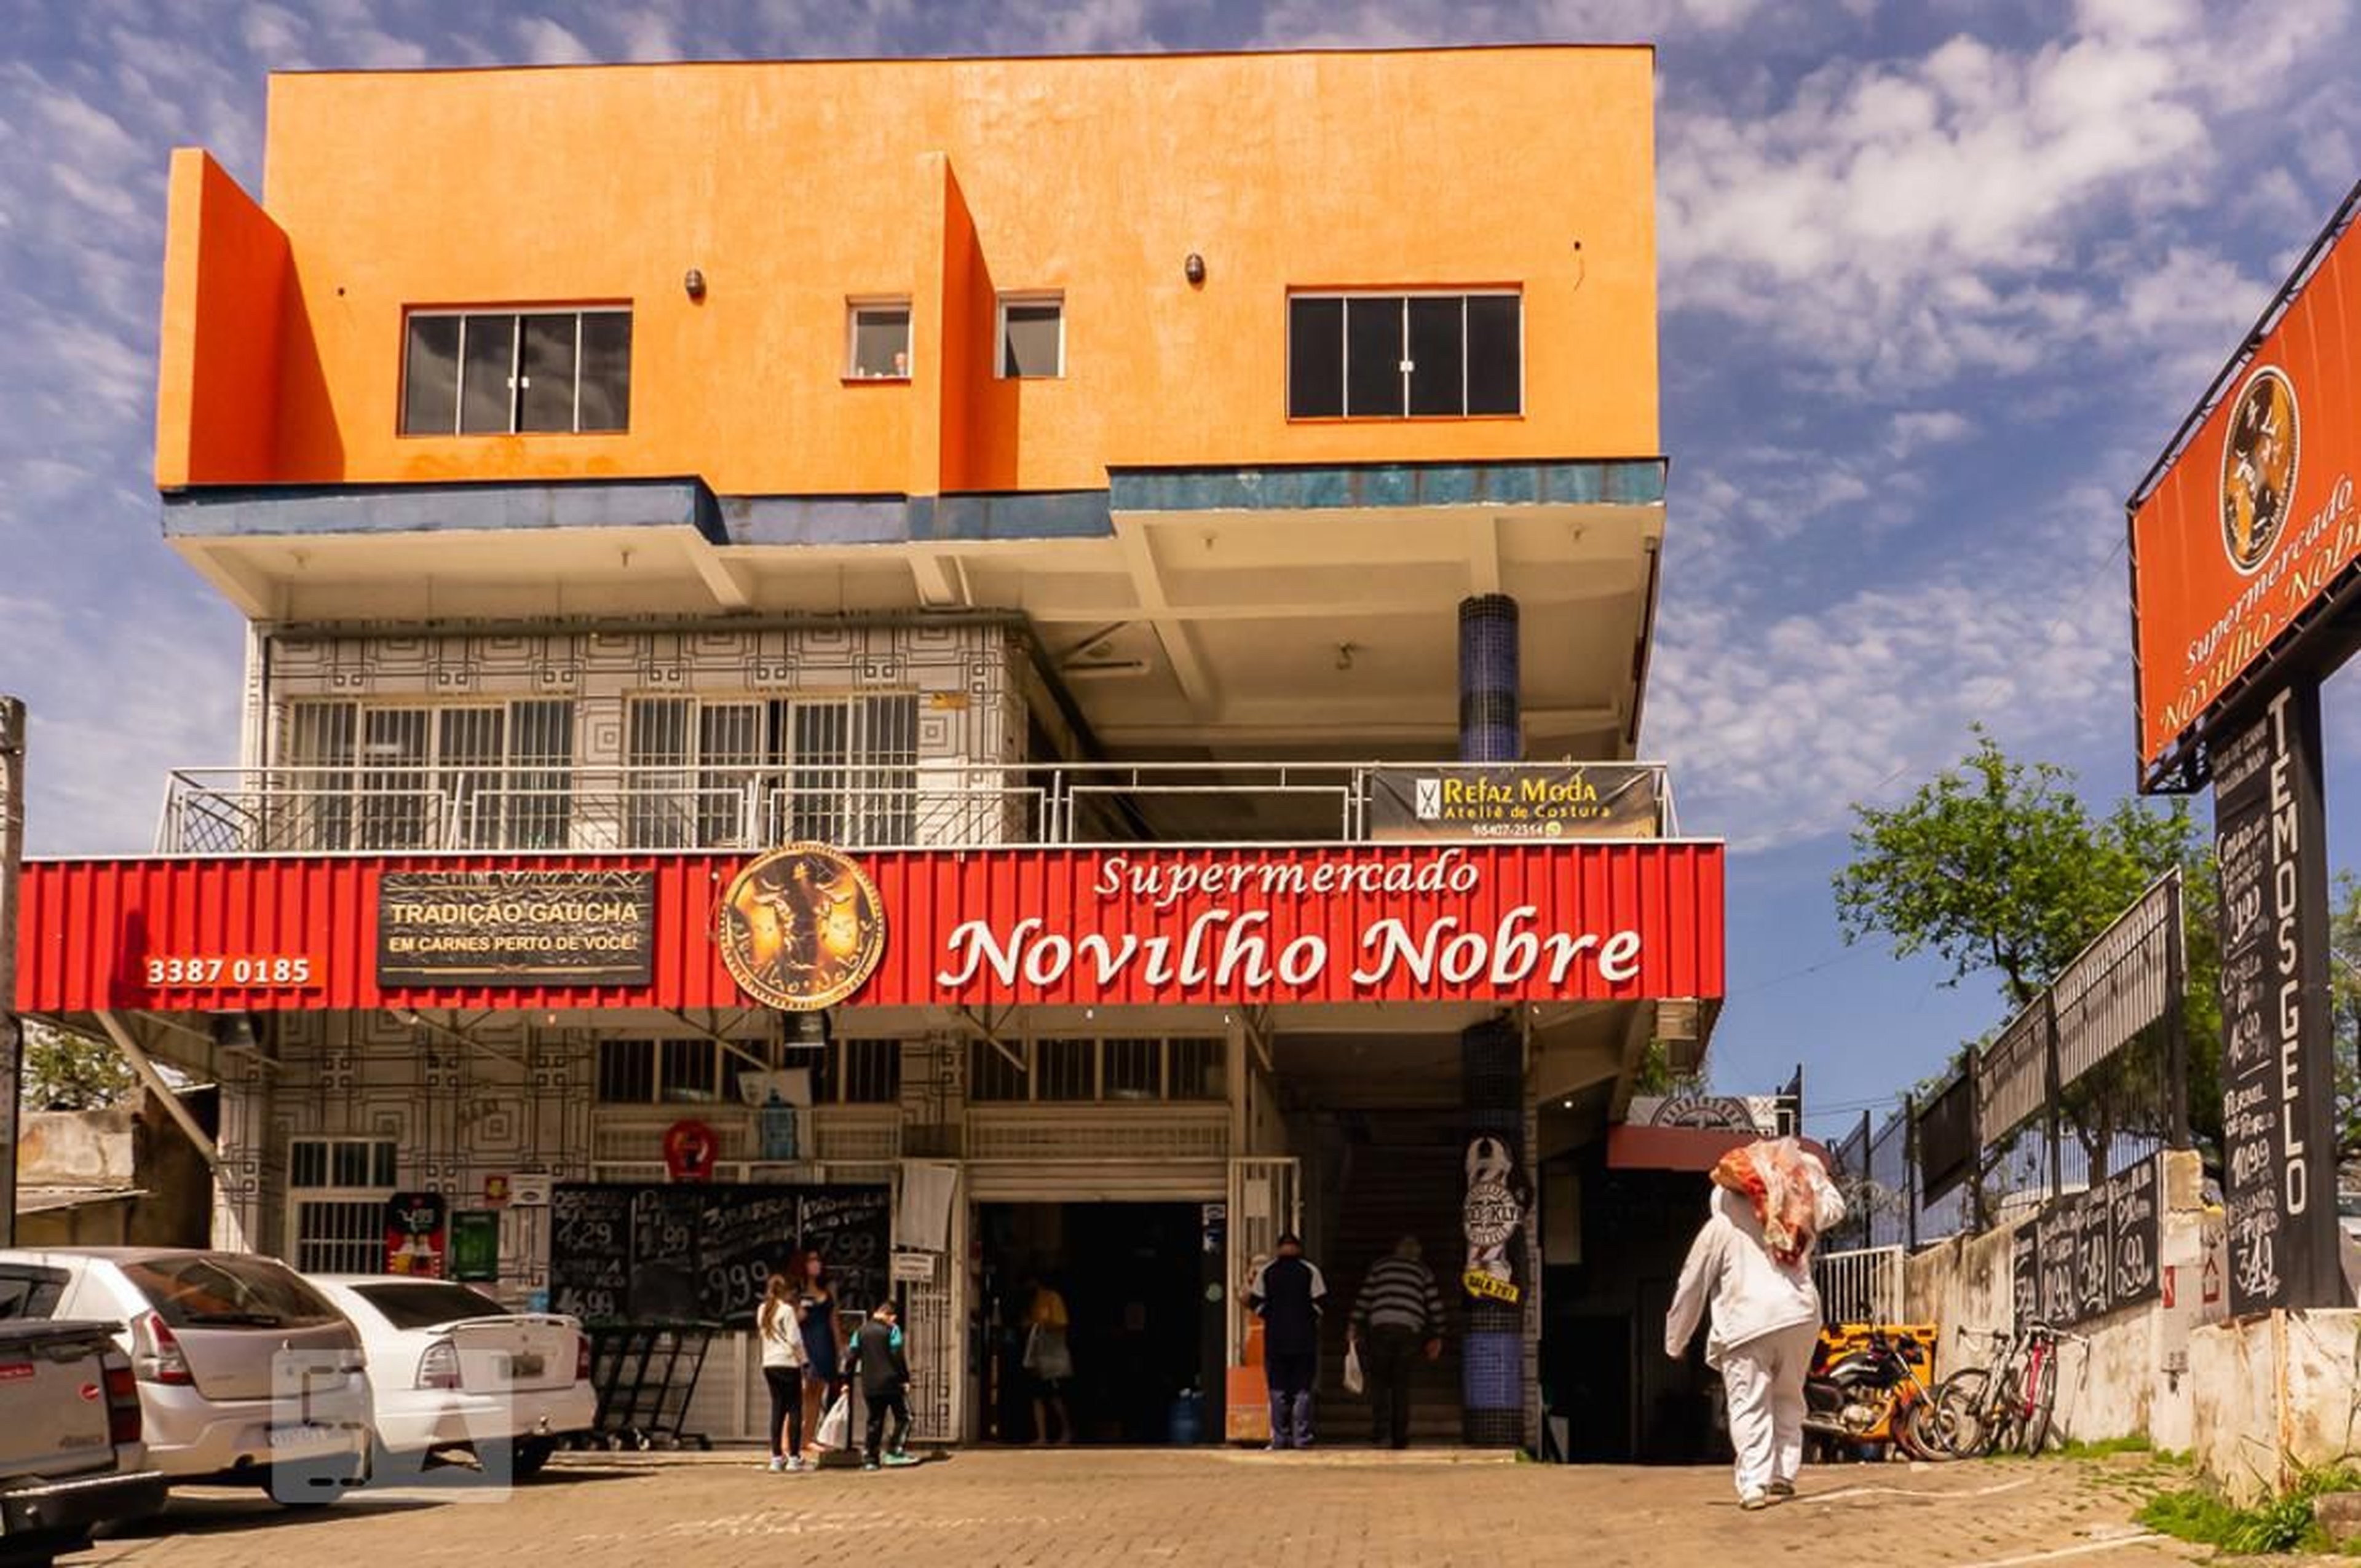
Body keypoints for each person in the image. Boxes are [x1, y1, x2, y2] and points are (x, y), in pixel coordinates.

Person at [1664, 1147, 1838, 1510]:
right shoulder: (1794, 1213)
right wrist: (1800, 1171)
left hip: (1747, 1324)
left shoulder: (1721, 1227)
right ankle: (1784, 1474)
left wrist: (1675, 1340)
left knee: (1750, 1404)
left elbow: (1691, 1284)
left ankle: (1754, 1484)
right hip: (1800, 1316)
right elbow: (1833, 1207)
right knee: (1789, 1395)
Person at [1347, 1235, 1445, 1449]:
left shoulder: (1380, 1266)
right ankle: (1399, 1436)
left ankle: (1379, 1431)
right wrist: (1438, 1334)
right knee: (1401, 1385)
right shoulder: (1423, 1272)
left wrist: (1354, 1324)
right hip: (1409, 1331)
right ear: (1417, 1253)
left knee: (1380, 1383)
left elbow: (1365, 1296)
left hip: (1380, 1327)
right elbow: (1434, 1304)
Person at [1246, 1232, 1327, 1451]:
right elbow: (1320, 1303)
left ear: (1278, 1248)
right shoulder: (1310, 1271)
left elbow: (1254, 1302)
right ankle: (1302, 1438)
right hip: (1304, 1341)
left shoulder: (1268, 1271)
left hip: (1276, 1341)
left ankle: (1281, 1438)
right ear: (1298, 1249)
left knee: (1278, 1390)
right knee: (1302, 1390)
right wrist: (1307, 1318)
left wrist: (1271, 1316)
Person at [850, 1299, 916, 1470]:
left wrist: (845, 1381)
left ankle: (871, 1459)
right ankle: (894, 1451)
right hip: (891, 1383)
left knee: (875, 1420)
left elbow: (851, 1358)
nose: (894, 1321)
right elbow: (897, 1356)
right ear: (891, 1316)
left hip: (869, 1385)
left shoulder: (860, 1332)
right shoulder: (893, 1330)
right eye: (894, 1318)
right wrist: (905, 1379)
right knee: (905, 1417)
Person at [797, 1250, 848, 1463]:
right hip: (806, 1345)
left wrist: (840, 1348)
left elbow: (834, 1320)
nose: (815, 1264)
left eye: (818, 1260)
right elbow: (792, 1322)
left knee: (818, 1392)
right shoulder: (796, 1292)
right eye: (811, 1260)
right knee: (802, 1393)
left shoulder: (827, 1290)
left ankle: (809, 1437)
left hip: (824, 1344)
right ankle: (791, 1438)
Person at [756, 1272, 809, 1471]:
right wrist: (804, 1362)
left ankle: (776, 1458)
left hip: (769, 1364)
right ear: (784, 1291)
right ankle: (795, 1457)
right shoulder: (787, 1310)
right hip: (788, 1363)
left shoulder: (762, 1310)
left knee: (777, 1408)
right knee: (795, 1408)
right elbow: (795, 1340)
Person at [1022, 1272, 1074, 1445]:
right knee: (1037, 1397)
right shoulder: (1034, 1301)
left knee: (1055, 1398)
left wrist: (1041, 1325)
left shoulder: (1052, 1298)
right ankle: (1042, 1436)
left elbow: (1061, 1324)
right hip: (1038, 1356)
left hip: (1053, 1357)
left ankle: (1066, 1432)